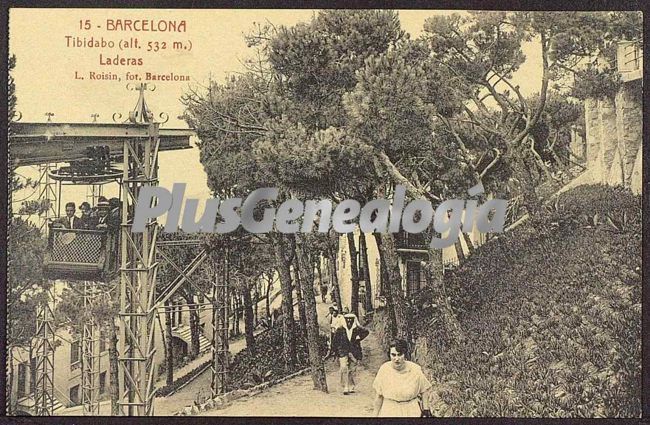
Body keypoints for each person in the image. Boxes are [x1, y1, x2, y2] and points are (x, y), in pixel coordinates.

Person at [372, 339, 433, 417]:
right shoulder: (384, 369)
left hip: (412, 410)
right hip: (390, 410)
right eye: (393, 355)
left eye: (400, 354)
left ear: (405, 354)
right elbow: (379, 396)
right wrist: (374, 416)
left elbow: (424, 390)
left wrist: (426, 410)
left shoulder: (415, 369)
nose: (396, 359)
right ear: (389, 355)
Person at [332, 313, 369, 395]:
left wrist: (359, 337)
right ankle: (345, 386)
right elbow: (335, 342)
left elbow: (366, 331)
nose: (349, 321)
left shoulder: (357, 329)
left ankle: (351, 385)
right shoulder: (340, 330)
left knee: (352, 369)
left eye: (351, 320)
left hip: (354, 352)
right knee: (343, 368)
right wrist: (335, 352)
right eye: (347, 319)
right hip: (343, 351)